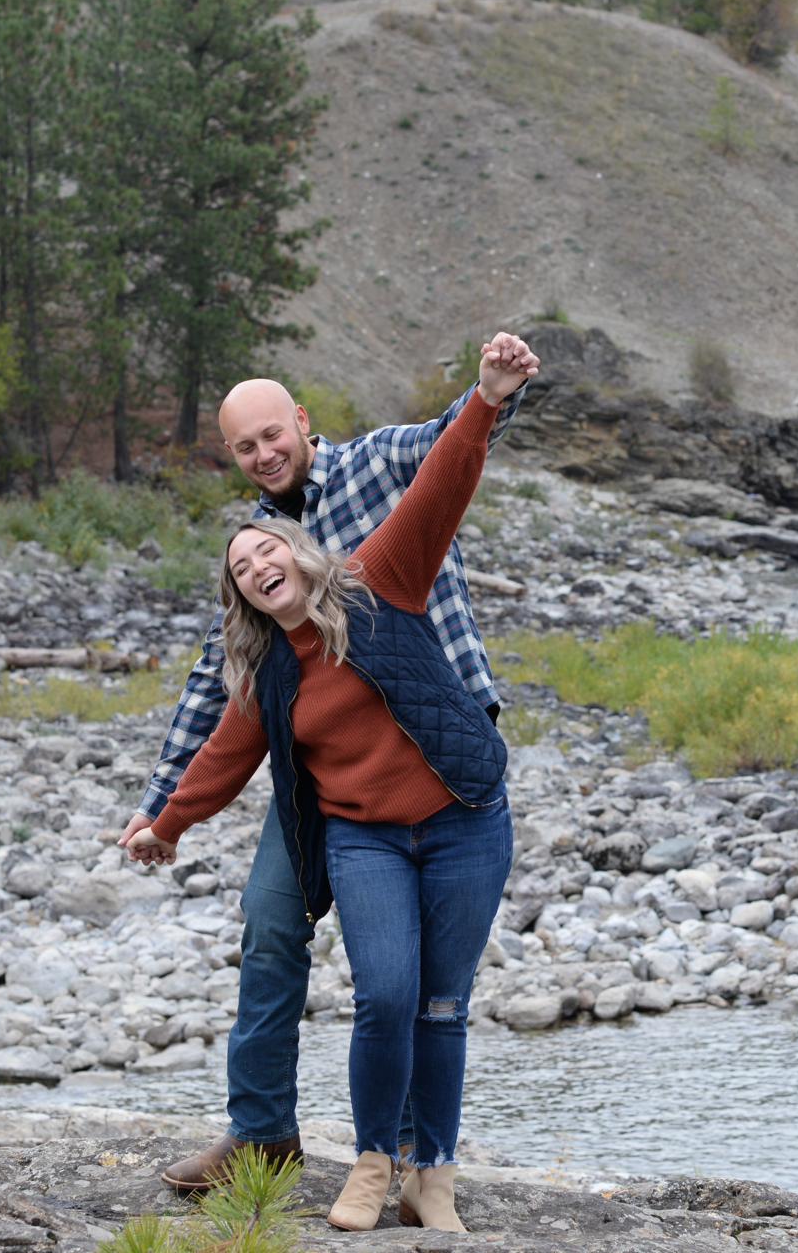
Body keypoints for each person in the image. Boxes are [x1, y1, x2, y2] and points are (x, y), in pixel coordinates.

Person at [118, 335, 538, 1195]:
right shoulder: (257, 547)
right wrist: (161, 810)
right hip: (327, 774)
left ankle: (415, 1159)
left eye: (273, 434)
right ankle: (262, 1133)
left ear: (301, 422)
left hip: (435, 746)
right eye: (245, 446)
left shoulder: (374, 467)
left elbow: (451, 453)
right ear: (232, 455)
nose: (265, 453)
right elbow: (219, 691)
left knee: (423, 980)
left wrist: (494, 390)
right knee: (272, 921)